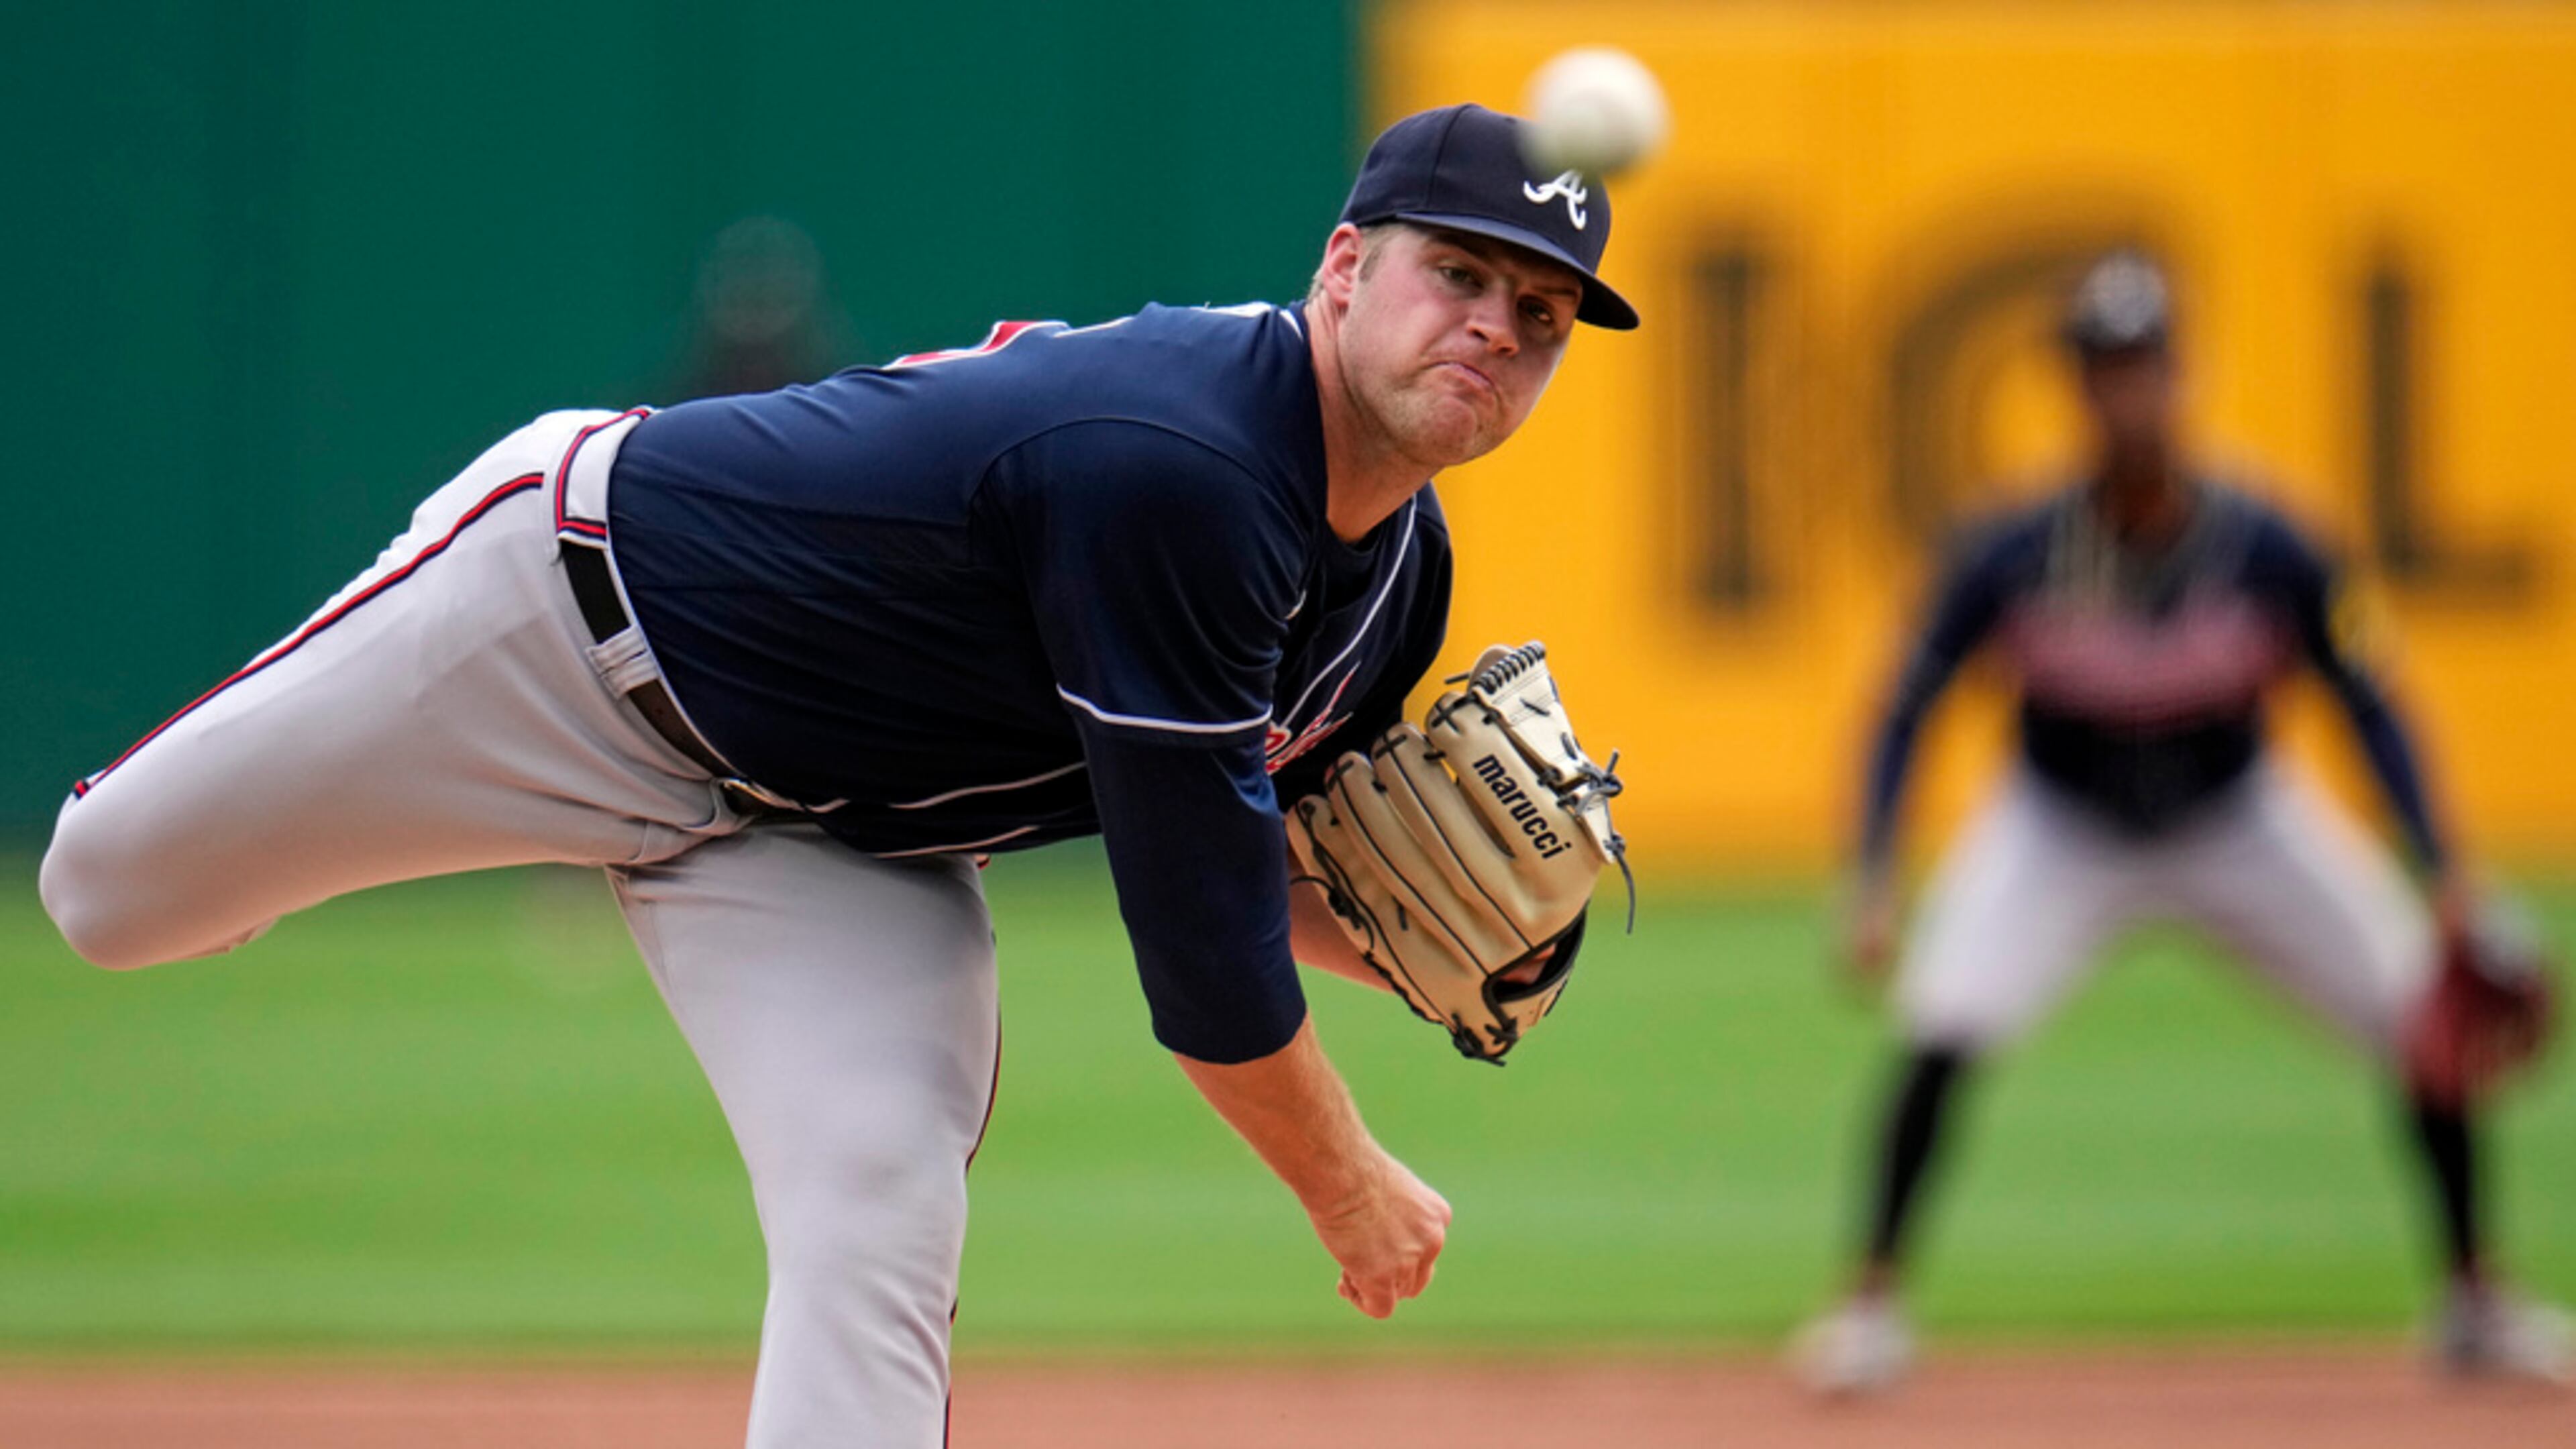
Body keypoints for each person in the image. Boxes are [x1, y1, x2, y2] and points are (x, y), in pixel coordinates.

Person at [38, 103, 1638, 1447]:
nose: (1496, 328)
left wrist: (1429, 946)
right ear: (1345, 269)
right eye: (1460, 275)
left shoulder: (1399, 575)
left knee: (878, 1193)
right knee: (106, 897)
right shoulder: (1191, 464)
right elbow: (1205, 965)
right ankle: (290, 840)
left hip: (826, 845)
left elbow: (1255, 866)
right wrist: (1350, 1185)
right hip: (567, 629)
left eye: (1542, 314)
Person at [1794, 250, 2569, 1394]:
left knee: (2422, 1018)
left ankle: (2475, 1299)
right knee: (1943, 1023)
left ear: (2181, 372)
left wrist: (2443, 867)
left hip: (2237, 819)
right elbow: (1906, 706)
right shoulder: (2009, 551)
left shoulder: (2272, 546)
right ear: (2075, 389)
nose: (2126, 392)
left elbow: (2373, 706)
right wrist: (1873, 873)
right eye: (2104, 370)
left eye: (2143, 364)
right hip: (2060, 828)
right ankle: (1869, 1303)